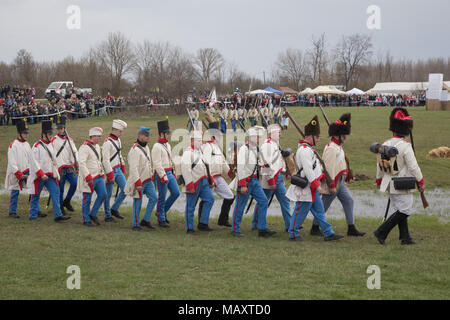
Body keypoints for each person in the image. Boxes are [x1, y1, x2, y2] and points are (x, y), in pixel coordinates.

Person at [285, 116, 343, 241]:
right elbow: (308, 170)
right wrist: (317, 185)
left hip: (311, 187)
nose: (317, 139)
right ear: (310, 136)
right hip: (307, 186)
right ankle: (293, 234)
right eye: (316, 136)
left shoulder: (308, 149)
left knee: (319, 211)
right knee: (300, 210)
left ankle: (328, 233)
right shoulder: (305, 150)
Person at [374, 108, 425, 245]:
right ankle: (381, 232)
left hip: (388, 182)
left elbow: (379, 165)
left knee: (399, 209)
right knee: (405, 210)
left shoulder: (384, 144)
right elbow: (413, 167)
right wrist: (421, 180)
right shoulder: (406, 146)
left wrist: (378, 179)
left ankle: (405, 237)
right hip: (402, 183)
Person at [310, 113, 365, 237]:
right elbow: (328, 169)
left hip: (340, 182)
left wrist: (348, 175)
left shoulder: (338, 146)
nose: (345, 137)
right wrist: (332, 185)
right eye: (343, 135)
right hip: (333, 182)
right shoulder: (331, 148)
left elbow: (342, 164)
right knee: (323, 206)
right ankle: (314, 227)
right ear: (337, 135)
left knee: (349, 201)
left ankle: (351, 228)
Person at [229, 126, 276, 238]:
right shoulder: (244, 149)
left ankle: (262, 228)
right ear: (252, 137)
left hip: (254, 181)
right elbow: (241, 167)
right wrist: (243, 184)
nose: (259, 139)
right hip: (246, 181)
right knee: (240, 205)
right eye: (257, 137)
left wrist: (263, 165)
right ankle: (235, 229)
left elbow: (254, 164)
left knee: (263, 201)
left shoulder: (255, 148)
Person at [28, 119, 70, 222]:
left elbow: (53, 160)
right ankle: (33, 215)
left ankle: (57, 215)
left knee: (56, 192)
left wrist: (55, 172)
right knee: (36, 195)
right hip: (40, 176)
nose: (51, 136)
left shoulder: (51, 145)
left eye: (51, 134)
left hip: (50, 175)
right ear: (44, 134)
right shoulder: (36, 146)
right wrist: (41, 174)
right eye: (49, 134)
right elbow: (34, 162)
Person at [253, 124, 291, 232]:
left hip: (278, 177)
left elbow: (278, 162)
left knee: (285, 200)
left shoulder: (275, 144)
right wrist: (271, 181)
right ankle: (255, 223)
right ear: (272, 133)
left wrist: (284, 173)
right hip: (269, 178)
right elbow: (265, 165)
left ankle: (289, 225)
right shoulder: (267, 145)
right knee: (263, 201)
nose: (280, 134)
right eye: (278, 132)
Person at [200, 121, 235, 227]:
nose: (220, 136)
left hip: (218, 177)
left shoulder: (217, 147)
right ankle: (202, 222)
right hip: (209, 178)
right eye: (218, 134)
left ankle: (222, 220)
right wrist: (210, 179)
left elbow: (223, 162)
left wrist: (230, 173)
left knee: (230, 196)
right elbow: (205, 163)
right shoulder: (207, 147)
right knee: (207, 199)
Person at [181, 130, 215, 234]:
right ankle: (189, 228)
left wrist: (210, 179)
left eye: (201, 140)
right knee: (190, 206)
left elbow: (206, 166)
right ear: (192, 141)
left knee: (210, 199)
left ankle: (203, 223)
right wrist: (189, 184)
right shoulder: (187, 153)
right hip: (194, 182)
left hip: (203, 181)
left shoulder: (200, 151)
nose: (201, 143)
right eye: (198, 141)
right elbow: (186, 170)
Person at [124, 127, 158, 231]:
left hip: (148, 179)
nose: (147, 138)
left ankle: (146, 220)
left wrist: (151, 174)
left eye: (148, 136)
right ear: (140, 136)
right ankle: (135, 224)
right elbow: (133, 168)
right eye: (145, 136)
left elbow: (148, 163)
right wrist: (138, 183)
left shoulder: (146, 148)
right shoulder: (134, 150)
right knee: (137, 202)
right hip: (139, 180)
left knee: (154, 198)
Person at [152, 119, 180, 227]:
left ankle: (161, 212)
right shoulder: (156, 146)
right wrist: (163, 176)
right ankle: (161, 218)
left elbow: (169, 160)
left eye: (169, 133)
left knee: (176, 192)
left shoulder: (167, 145)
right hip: (161, 173)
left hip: (169, 172)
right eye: (167, 133)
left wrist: (173, 172)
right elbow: (157, 164)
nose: (169, 135)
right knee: (162, 196)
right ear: (161, 134)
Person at [77, 127, 109, 226]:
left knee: (103, 194)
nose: (100, 138)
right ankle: (86, 219)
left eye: (100, 136)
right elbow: (81, 163)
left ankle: (93, 214)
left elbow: (98, 161)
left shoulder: (97, 147)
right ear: (93, 136)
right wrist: (87, 176)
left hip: (98, 176)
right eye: (98, 136)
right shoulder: (84, 147)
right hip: (89, 177)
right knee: (87, 199)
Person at [5, 118, 32, 218]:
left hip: (26, 171)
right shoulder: (13, 146)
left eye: (27, 133)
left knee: (34, 188)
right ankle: (12, 211)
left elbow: (30, 159)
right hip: (16, 173)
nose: (26, 135)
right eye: (24, 133)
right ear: (19, 134)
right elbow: (12, 163)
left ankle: (35, 208)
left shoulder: (27, 145)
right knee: (15, 191)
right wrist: (19, 174)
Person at [51, 115, 78, 216]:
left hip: (69, 166)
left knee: (75, 183)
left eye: (61, 128)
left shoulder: (70, 140)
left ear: (64, 128)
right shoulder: (53, 140)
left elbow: (74, 152)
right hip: (59, 166)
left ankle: (67, 201)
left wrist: (76, 161)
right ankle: (61, 206)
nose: (59, 130)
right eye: (58, 128)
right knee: (60, 188)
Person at [103, 120, 128, 220]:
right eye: (120, 131)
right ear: (114, 130)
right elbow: (105, 160)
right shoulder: (107, 143)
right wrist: (109, 174)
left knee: (126, 189)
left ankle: (114, 208)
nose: (121, 133)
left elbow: (119, 154)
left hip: (118, 169)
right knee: (108, 194)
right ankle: (107, 215)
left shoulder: (118, 140)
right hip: (110, 170)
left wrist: (122, 164)